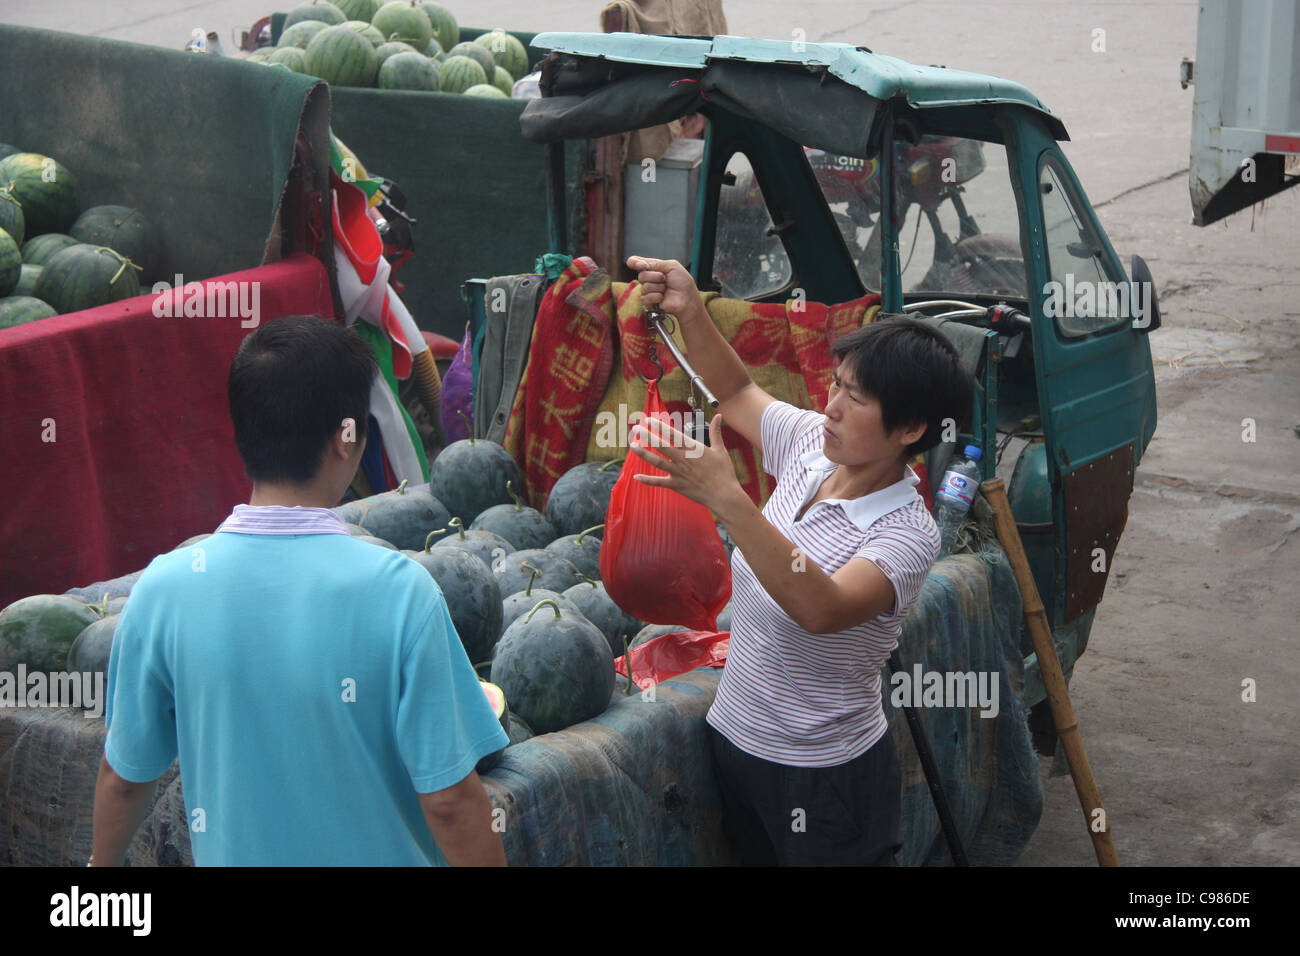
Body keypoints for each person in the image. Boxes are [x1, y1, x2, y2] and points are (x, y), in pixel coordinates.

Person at [91, 315, 509, 866]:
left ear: (244, 431)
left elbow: (124, 779)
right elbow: (452, 801)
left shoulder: (164, 590)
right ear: (347, 439)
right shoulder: (400, 592)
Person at [624, 255, 972, 866]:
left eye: (854, 397)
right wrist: (690, 310)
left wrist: (729, 500)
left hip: (825, 776)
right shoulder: (814, 446)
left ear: (910, 428)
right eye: (836, 383)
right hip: (736, 740)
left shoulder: (906, 534)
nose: (831, 405)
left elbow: (821, 607)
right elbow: (734, 392)